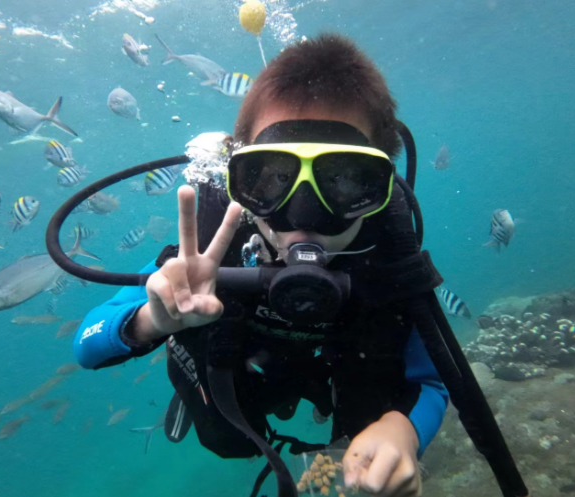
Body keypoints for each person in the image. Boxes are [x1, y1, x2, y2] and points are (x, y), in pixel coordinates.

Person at [74, 34, 449, 497]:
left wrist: (404, 431)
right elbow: (87, 345)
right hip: (235, 364)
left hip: (338, 362)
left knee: (368, 407)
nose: (305, 217)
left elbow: (432, 381)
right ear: (238, 179)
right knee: (223, 428)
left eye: (345, 179)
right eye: (271, 178)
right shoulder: (212, 248)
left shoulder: (390, 257)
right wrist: (153, 320)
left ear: (381, 186)